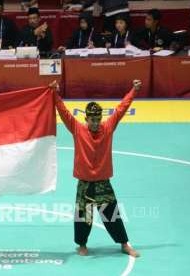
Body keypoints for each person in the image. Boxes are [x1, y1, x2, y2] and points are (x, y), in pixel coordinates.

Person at [49, 79, 141, 258]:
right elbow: (63, 111)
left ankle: (124, 244)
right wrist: (54, 93)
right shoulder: (77, 129)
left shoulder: (108, 127)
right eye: (92, 120)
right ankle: (82, 245)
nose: (96, 123)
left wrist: (134, 91)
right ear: (86, 118)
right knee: (83, 216)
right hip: (84, 183)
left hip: (103, 182)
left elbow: (121, 108)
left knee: (112, 214)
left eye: (98, 119)